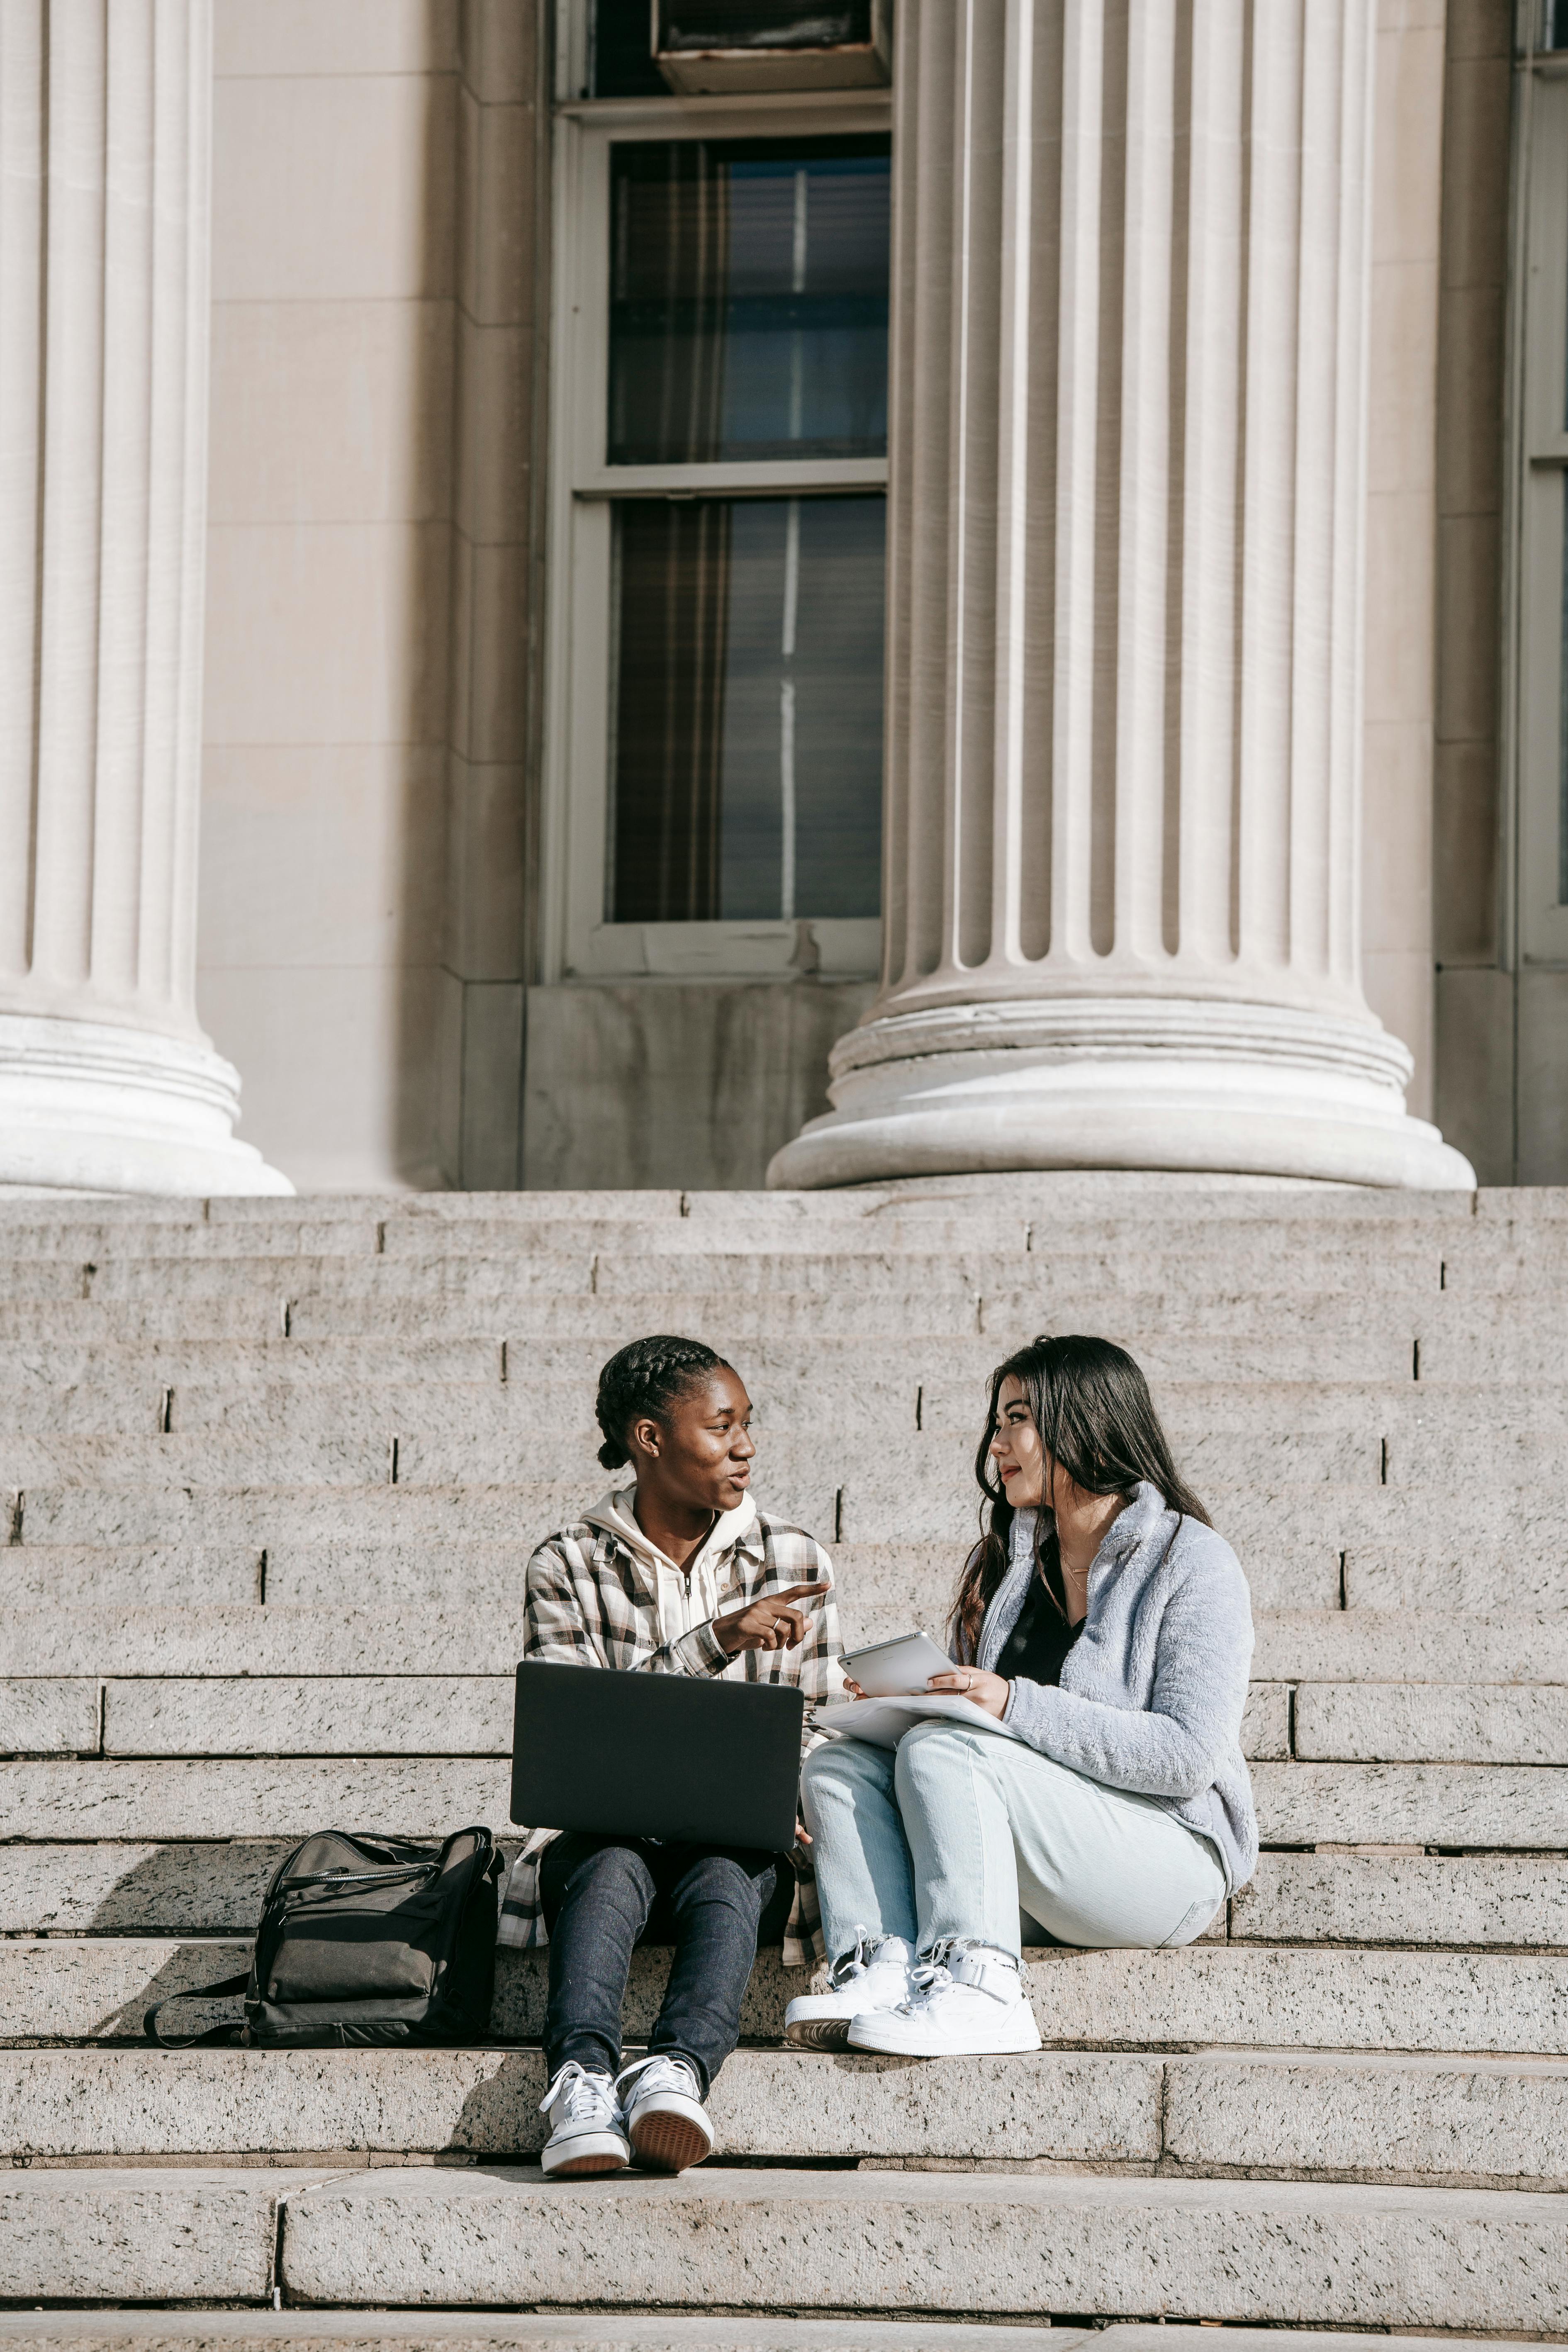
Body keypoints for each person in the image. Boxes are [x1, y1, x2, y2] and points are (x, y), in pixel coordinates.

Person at [784, 1332, 1256, 2059]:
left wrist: (1010, 1702)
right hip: (1048, 1851)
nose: (997, 1442)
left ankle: (984, 1990)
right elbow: (987, 1745)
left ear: (1085, 1422)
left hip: (1171, 1852)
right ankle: (882, 1966)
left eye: (1017, 1419)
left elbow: (1187, 1756)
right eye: (996, 1422)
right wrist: (912, 1699)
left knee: (947, 1748)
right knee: (837, 1767)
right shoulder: (1012, 1565)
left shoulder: (1190, 1559)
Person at [498, 1334, 840, 2177]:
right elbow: (578, 1734)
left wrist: (801, 1796)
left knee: (731, 1868)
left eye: (748, 1425)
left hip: (732, 1854)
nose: (746, 1446)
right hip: (598, 1856)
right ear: (651, 1438)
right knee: (610, 1858)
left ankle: (678, 2073)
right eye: (722, 1427)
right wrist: (716, 1639)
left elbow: (824, 1719)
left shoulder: (793, 1560)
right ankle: (581, 2081)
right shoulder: (569, 1563)